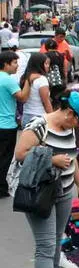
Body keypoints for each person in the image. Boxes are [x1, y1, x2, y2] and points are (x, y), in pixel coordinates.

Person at [14, 90, 79, 268]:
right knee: (45, 245)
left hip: (64, 192)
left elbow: (73, 157)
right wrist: (51, 159)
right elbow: (20, 154)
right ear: (69, 113)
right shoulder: (38, 126)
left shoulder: (69, 129)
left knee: (57, 239)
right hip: (41, 193)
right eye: (78, 119)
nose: (78, 125)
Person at [0, 51, 31, 197]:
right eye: (14, 63)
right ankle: (1, 187)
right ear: (6, 64)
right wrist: (28, 82)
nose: (17, 66)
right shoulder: (8, 80)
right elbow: (23, 98)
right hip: (6, 125)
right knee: (5, 158)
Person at [20, 52, 54, 126]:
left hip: (26, 116)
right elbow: (46, 102)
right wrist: (52, 118)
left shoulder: (25, 77)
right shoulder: (41, 79)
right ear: (39, 65)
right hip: (39, 117)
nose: (48, 66)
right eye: (46, 64)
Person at [43, 39, 66, 106]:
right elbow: (64, 67)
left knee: (51, 100)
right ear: (56, 46)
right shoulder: (61, 55)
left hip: (50, 81)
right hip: (61, 79)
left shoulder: (44, 56)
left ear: (46, 47)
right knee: (60, 100)